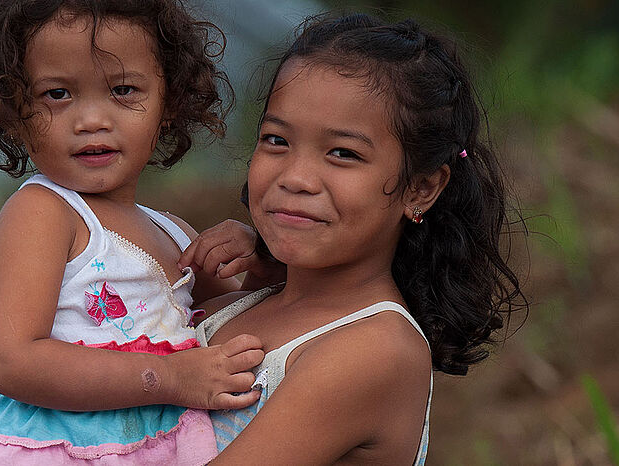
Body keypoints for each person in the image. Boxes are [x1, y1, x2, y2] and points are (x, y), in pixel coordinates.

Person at [179, 13, 528, 464]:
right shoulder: (247, 302)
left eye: (343, 153)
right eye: (276, 140)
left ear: (420, 188)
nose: (296, 177)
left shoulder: (372, 351)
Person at [0, 1, 280, 464]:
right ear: (13, 109)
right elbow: (13, 361)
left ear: (170, 102)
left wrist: (261, 265)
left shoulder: (174, 233)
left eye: (123, 89)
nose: (91, 120)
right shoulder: (43, 213)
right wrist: (170, 378)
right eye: (57, 94)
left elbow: (227, 328)